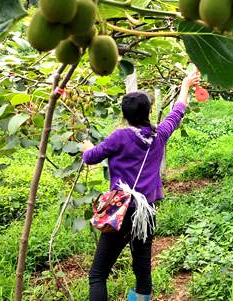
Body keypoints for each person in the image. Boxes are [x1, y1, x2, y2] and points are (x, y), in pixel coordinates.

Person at [82, 71, 201, 301]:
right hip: (146, 212)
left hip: (121, 210)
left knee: (98, 275)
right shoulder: (160, 135)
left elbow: (91, 157)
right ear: (148, 111)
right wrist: (185, 84)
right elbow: (177, 112)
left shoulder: (119, 136)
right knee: (142, 271)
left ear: (124, 115)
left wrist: (87, 146)